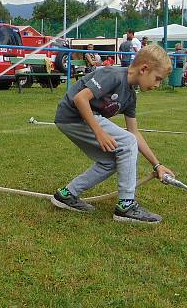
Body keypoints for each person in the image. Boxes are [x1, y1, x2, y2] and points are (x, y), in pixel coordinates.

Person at [50, 44, 176, 224]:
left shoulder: (130, 96)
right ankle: (126, 206)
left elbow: (134, 132)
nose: (157, 84)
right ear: (144, 69)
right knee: (127, 142)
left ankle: (66, 195)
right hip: (72, 116)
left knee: (110, 161)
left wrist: (157, 165)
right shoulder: (113, 75)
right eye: (157, 78)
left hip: (77, 120)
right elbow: (80, 98)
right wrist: (99, 132)